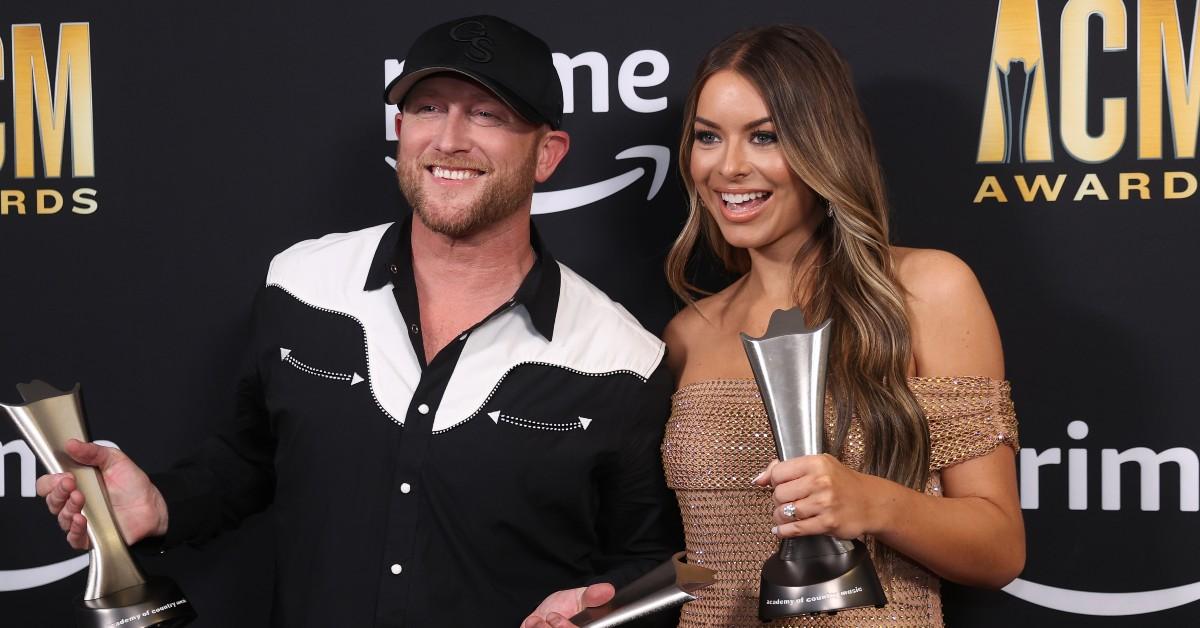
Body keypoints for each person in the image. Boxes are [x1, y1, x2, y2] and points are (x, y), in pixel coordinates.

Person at [35, 15, 681, 627]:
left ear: (547, 155)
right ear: (401, 127)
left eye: (487, 114)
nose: (449, 139)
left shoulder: (621, 358)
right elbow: (247, 458)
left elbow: (645, 564)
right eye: (428, 108)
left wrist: (598, 616)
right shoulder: (301, 284)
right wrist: (162, 504)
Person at [659, 25, 1024, 626]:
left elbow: (1000, 548)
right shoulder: (687, 334)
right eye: (707, 137)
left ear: (823, 146)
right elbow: (712, 567)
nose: (728, 167)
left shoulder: (926, 291)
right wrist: (608, 599)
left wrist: (873, 502)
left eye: (764, 137)